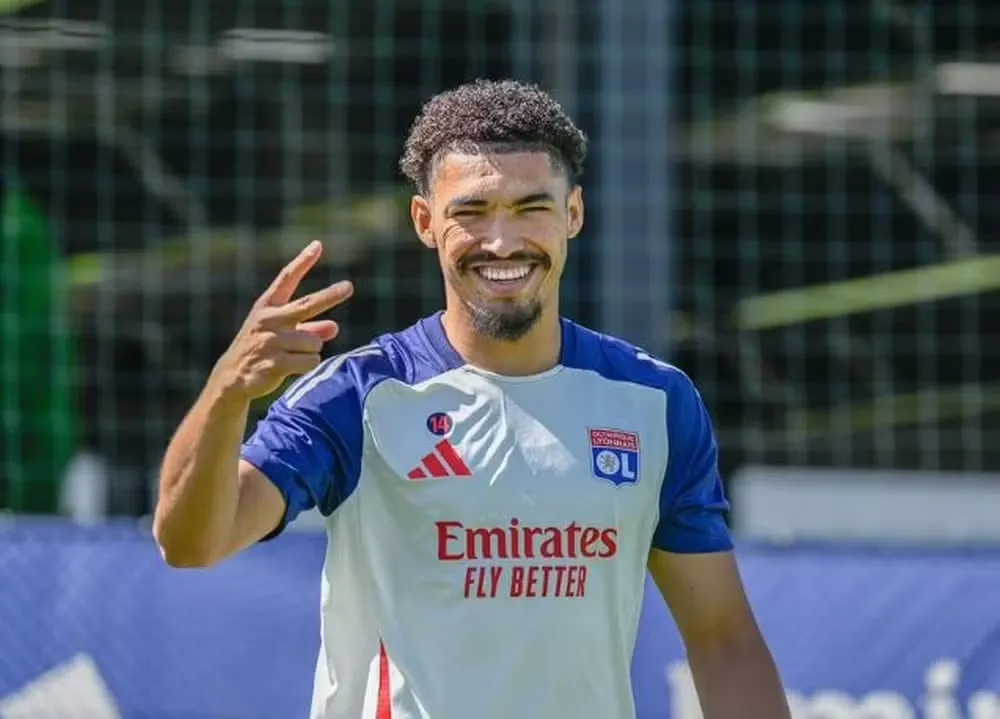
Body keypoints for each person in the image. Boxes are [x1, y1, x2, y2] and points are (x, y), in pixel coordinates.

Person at [153, 79, 789, 719]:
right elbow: (190, 543)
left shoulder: (654, 402)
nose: (503, 241)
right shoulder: (359, 395)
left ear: (574, 213)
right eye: (472, 211)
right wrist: (227, 392)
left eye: (531, 207)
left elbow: (723, 639)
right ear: (425, 222)